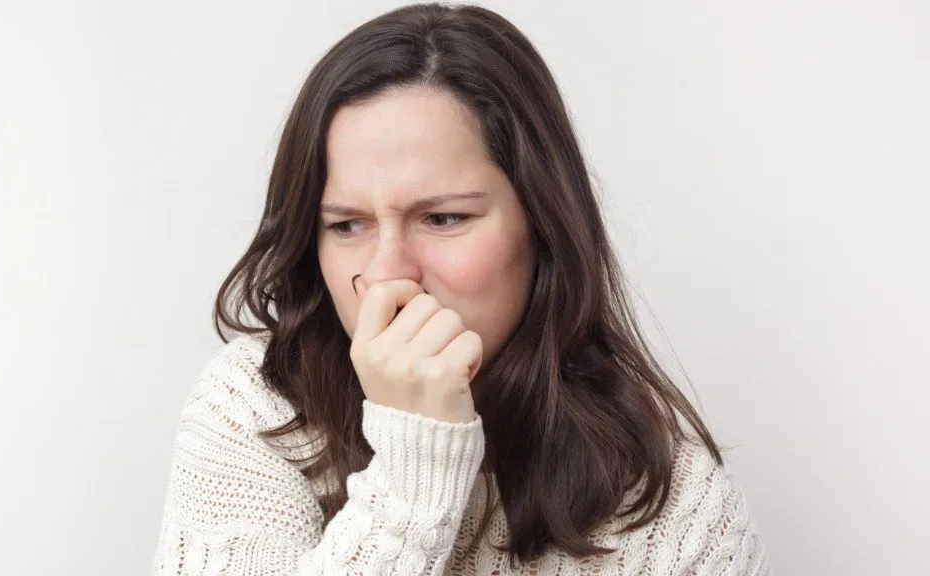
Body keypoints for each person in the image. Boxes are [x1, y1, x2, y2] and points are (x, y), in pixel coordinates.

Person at [151, 3, 770, 575]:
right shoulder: (251, 410)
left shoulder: (680, 512)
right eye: (347, 225)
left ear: (543, 224)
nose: (390, 274)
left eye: (443, 218)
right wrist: (416, 461)